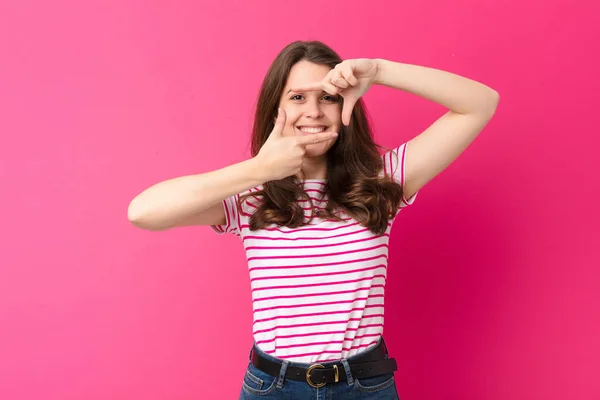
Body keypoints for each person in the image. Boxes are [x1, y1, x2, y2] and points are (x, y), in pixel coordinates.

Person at [127, 40, 499, 399]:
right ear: (276, 109)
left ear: (345, 105)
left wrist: (380, 71)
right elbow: (143, 212)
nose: (314, 112)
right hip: (273, 388)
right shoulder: (249, 195)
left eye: (328, 97)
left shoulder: (382, 181)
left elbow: (480, 104)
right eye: (297, 97)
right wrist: (259, 169)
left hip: (365, 386)